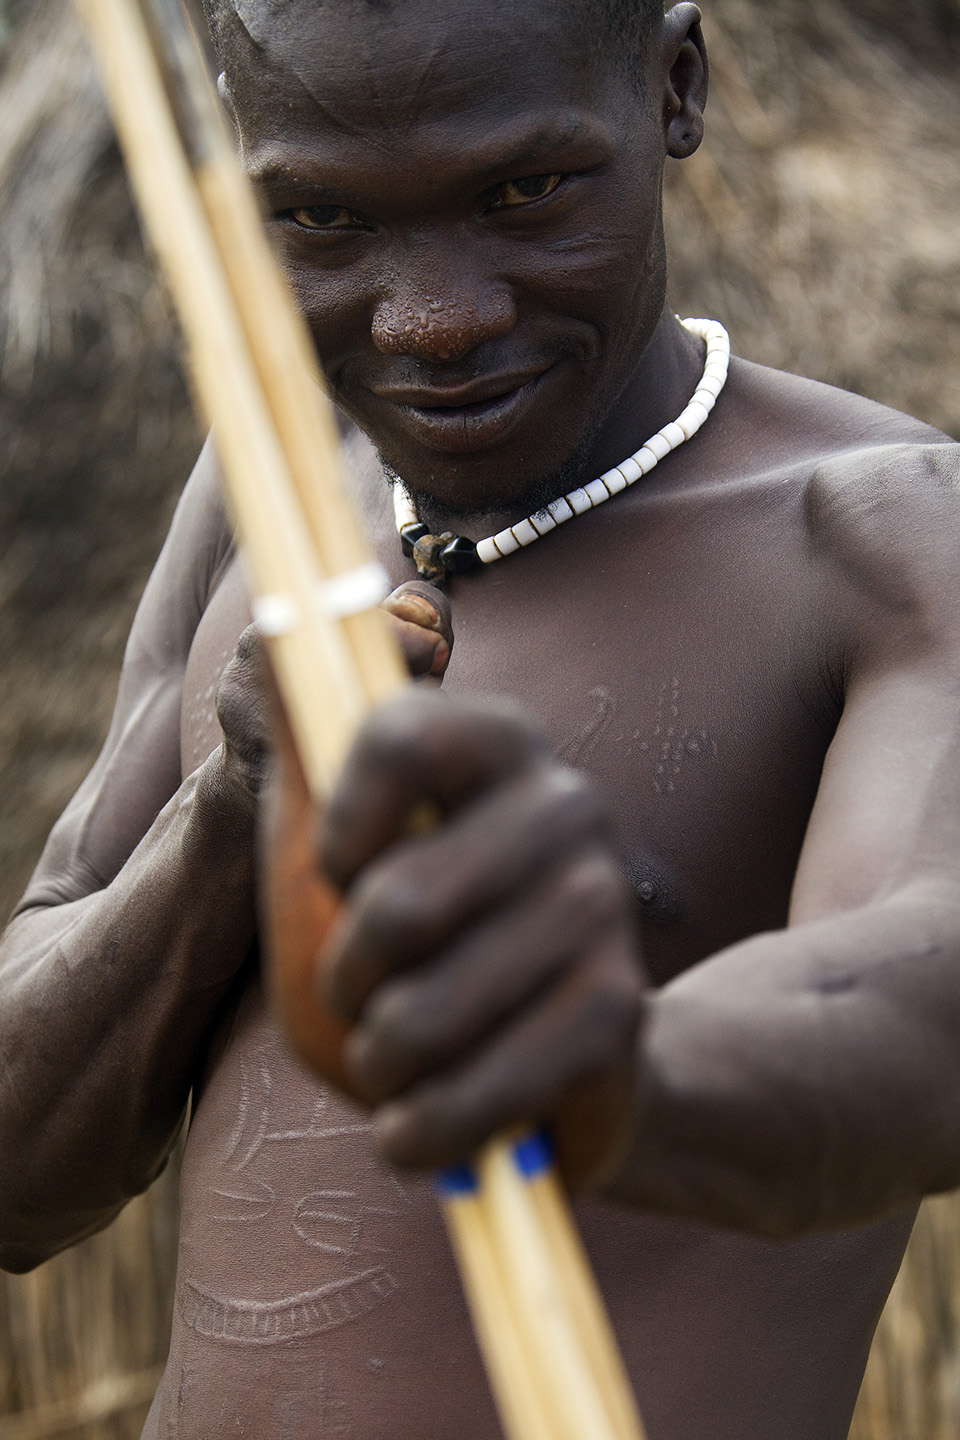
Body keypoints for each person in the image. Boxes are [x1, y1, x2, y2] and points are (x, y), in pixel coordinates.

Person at [2, 0, 959, 1435]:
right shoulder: (260, 498)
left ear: (676, 90)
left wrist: (611, 1070)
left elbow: (925, 1002)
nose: (435, 320)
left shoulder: (884, 536)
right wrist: (230, 822)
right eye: (320, 216)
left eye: (526, 192)